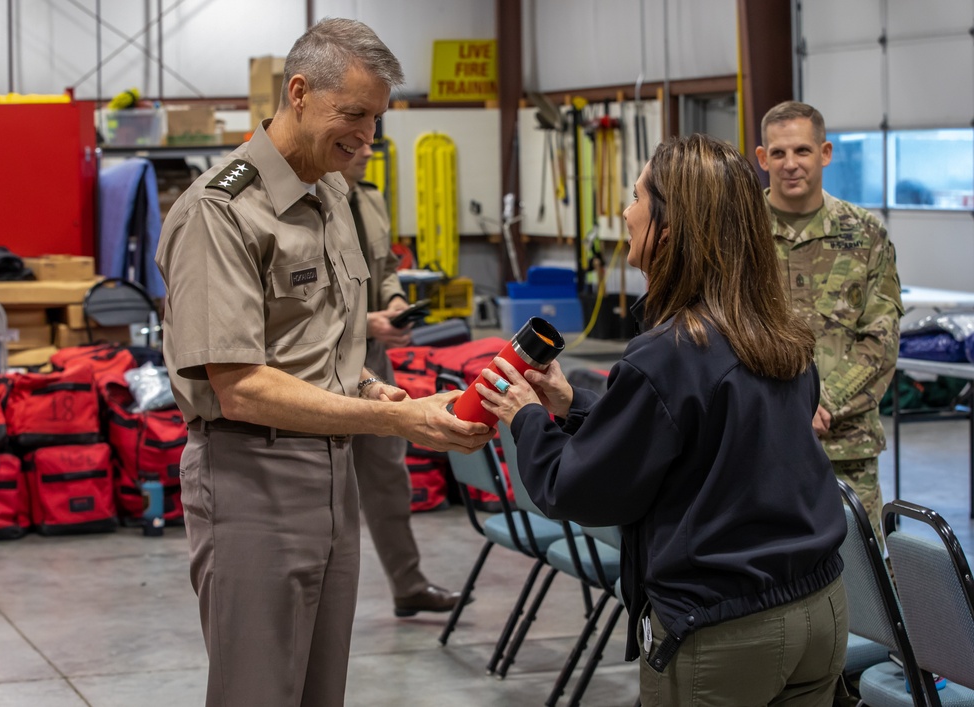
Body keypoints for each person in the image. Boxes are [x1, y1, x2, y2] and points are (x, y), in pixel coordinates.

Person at [155, 19, 493, 707]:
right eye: (355, 116)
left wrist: (370, 386)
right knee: (258, 689)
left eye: (377, 119)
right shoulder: (221, 211)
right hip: (253, 473)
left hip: (335, 473)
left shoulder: (333, 193)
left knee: (318, 691)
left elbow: (321, 338)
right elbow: (241, 386)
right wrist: (391, 420)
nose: (367, 138)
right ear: (300, 93)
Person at [478, 134, 849, 705]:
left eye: (636, 198)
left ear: (670, 227)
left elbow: (582, 489)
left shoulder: (669, 352)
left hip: (726, 626)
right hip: (817, 608)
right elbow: (698, 441)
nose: (626, 213)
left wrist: (527, 419)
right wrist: (571, 404)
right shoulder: (777, 333)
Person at [756, 101, 903, 542]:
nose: (790, 164)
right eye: (778, 153)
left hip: (846, 449)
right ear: (762, 159)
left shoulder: (865, 234)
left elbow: (881, 337)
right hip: (760, 447)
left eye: (802, 150)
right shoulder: (740, 234)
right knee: (771, 577)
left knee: (862, 585)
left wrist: (825, 402)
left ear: (825, 153)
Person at [340, 143, 466, 616]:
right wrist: (364, 323)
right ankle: (328, 601)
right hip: (322, 364)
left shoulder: (369, 199)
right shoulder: (309, 204)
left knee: (386, 477)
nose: (368, 148)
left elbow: (387, 269)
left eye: (373, 133)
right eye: (356, 138)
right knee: (329, 487)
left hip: (374, 362)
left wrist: (392, 305)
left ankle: (408, 584)